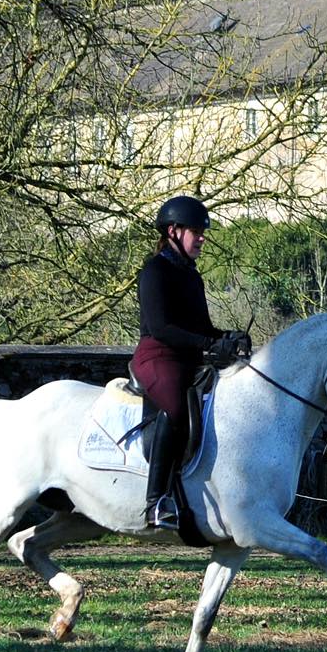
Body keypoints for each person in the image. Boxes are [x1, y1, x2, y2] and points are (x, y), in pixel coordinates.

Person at [133, 195, 247, 531]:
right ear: (172, 231)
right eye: (195, 231)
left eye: (202, 232)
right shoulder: (155, 271)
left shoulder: (191, 275)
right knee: (176, 410)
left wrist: (229, 337)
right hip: (157, 355)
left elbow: (202, 328)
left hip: (188, 358)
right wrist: (209, 343)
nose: (201, 238)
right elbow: (161, 328)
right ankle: (155, 503)